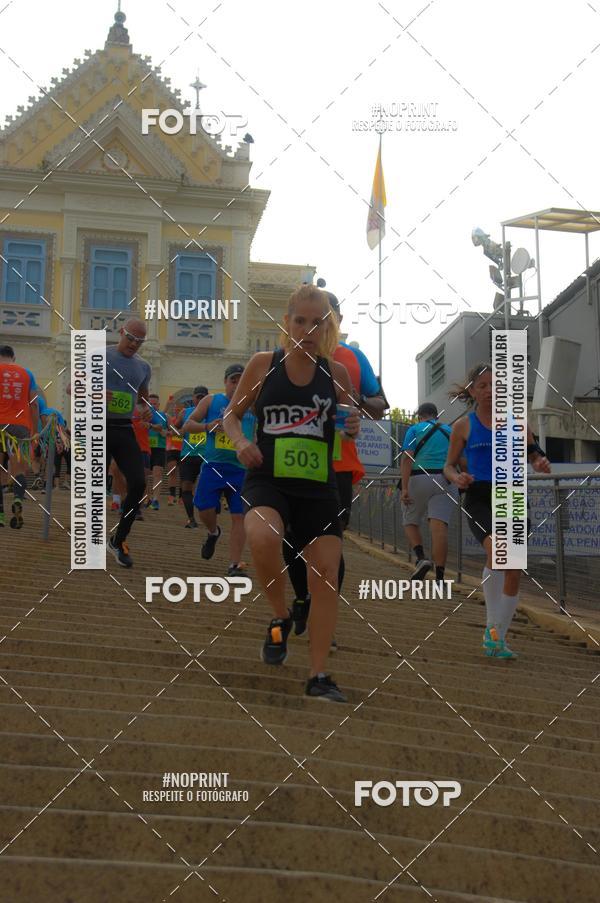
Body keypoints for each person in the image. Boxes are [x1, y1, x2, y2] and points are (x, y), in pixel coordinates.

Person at [223, 284, 360, 702]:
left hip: (318, 487)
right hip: (269, 478)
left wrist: (352, 425)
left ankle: (319, 675)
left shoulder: (335, 373)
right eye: (300, 320)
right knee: (262, 538)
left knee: (326, 576)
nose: (307, 329)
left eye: (317, 322)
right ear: (287, 322)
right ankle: (280, 617)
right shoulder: (264, 364)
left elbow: (348, 418)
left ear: (327, 327)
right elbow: (232, 415)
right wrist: (241, 442)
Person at [282, 291, 387, 640]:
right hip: (290, 462)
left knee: (331, 541)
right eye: (306, 319)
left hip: (338, 464)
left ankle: (323, 613)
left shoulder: (353, 358)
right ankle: (302, 597)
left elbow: (380, 403)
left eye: (324, 318)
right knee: (290, 538)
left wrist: (352, 400)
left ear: (335, 321)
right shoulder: (282, 357)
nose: (315, 326)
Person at [443, 363, 551, 658]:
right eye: (483, 386)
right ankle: (493, 629)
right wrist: (457, 478)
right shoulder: (463, 426)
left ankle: (497, 639)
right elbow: (448, 466)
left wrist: (540, 463)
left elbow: (535, 454)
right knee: (498, 552)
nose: (490, 391)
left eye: (496, 386)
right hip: (480, 496)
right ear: (472, 392)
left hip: (513, 496)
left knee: (513, 569)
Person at [182, 369, 254, 573]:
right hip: (214, 465)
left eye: (242, 381)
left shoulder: (253, 404)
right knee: (204, 508)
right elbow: (188, 425)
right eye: (233, 380)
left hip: (241, 469)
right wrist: (207, 426)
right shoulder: (211, 401)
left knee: (239, 516)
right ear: (225, 382)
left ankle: (234, 565)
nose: (237, 384)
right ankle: (213, 532)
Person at [104, 318, 151, 567]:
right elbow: (72, 388)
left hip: (124, 430)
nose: (134, 344)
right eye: (131, 338)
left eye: (140, 341)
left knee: (139, 483)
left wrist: (146, 409)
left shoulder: (143, 367)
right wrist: (95, 392)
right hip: (97, 427)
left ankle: (118, 540)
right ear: (121, 332)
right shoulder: (100, 355)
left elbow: (144, 399)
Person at [400, 402, 458, 583]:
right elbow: (461, 458)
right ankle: (440, 578)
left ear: (420, 416)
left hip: (419, 478)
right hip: (447, 479)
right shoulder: (450, 430)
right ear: (436, 416)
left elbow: (407, 458)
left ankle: (421, 558)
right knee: (439, 529)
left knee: (410, 521)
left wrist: (404, 487)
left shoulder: (415, 429)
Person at [0, 345, 39, 528]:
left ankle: (0, 515)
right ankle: (17, 499)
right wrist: (35, 430)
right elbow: (34, 403)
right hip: (20, 425)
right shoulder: (27, 374)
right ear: (13, 358)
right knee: (19, 468)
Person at [173, 386, 208, 528]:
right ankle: (191, 519)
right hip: (188, 455)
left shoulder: (213, 412)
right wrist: (181, 431)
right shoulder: (185, 412)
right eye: (197, 397)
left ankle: (209, 516)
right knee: (186, 487)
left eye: (202, 397)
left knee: (206, 487)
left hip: (206, 455)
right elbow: (174, 429)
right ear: (193, 398)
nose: (199, 400)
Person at [147, 393, 168, 510]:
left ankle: (155, 500)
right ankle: (147, 497)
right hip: (145, 448)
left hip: (159, 448)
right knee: (144, 475)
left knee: (157, 473)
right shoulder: (144, 415)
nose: (152, 406)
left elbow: (169, 432)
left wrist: (162, 432)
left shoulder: (164, 416)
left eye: (154, 404)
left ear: (159, 405)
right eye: (150, 403)